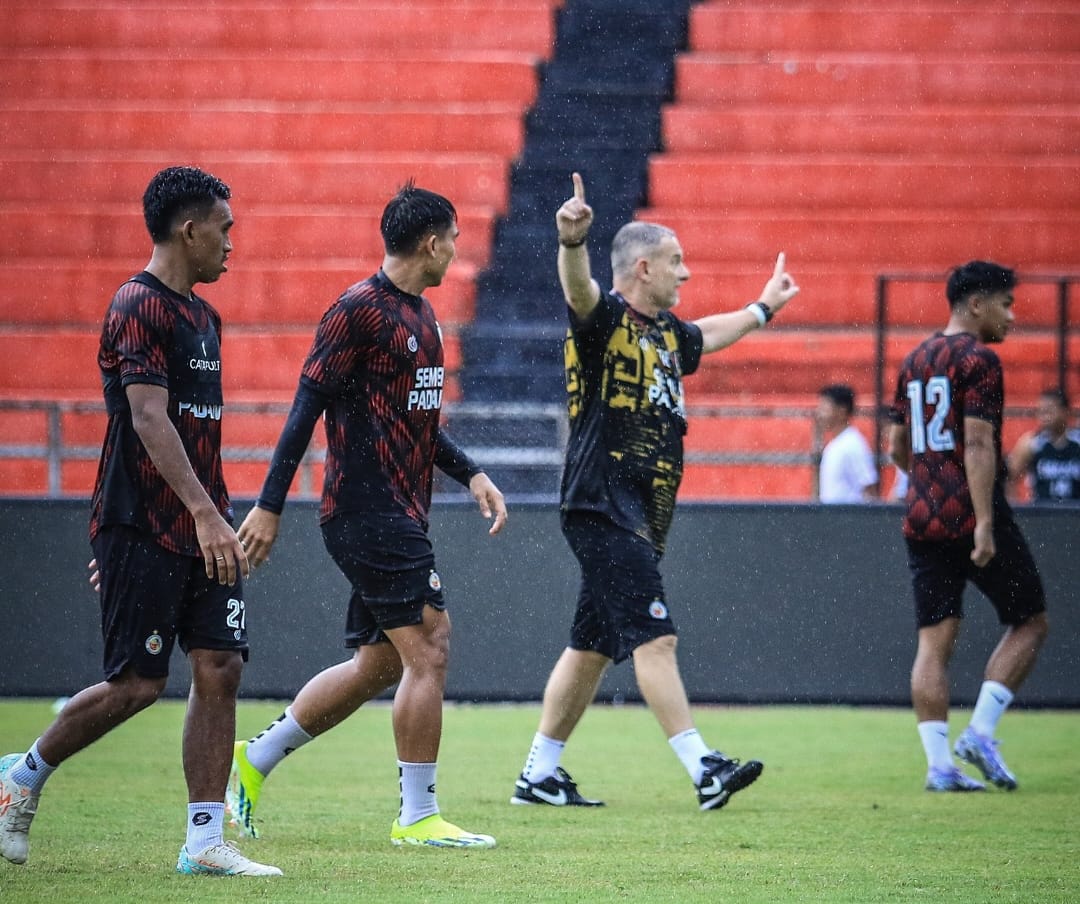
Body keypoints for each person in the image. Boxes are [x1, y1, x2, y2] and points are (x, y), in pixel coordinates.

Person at [0, 167, 280, 876]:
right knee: (137, 684)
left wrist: (213, 516)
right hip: (144, 521)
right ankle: (20, 779)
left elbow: (199, 431)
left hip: (201, 524)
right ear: (190, 230)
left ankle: (204, 841)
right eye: (224, 227)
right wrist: (202, 517)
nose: (232, 242)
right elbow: (149, 418)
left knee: (221, 665)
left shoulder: (205, 318)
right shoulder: (137, 305)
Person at [225, 182, 507, 848]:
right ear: (431, 243)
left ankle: (254, 758)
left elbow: (418, 425)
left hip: (399, 511)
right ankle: (418, 816)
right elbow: (305, 408)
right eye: (454, 240)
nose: (457, 252)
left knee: (379, 665)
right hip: (366, 509)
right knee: (431, 646)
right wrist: (269, 503)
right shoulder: (356, 311)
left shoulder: (425, 318)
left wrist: (471, 473)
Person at [510, 172, 799, 812]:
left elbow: (710, 333)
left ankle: (538, 775)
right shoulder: (605, 320)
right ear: (643, 268)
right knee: (656, 638)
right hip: (603, 504)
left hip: (636, 513)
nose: (685, 273)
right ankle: (704, 768)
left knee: (591, 648)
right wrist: (572, 243)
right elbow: (579, 291)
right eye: (676, 261)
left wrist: (763, 308)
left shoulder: (668, 332)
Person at [887, 260, 1050, 793]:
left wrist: (929, 479)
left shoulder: (914, 359)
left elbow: (896, 446)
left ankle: (939, 767)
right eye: (1006, 304)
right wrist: (983, 521)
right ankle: (980, 731)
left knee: (933, 644)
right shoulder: (980, 360)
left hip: (921, 515)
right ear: (976, 304)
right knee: (1030, 620)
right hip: (969, 510)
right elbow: (979, 443)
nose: (1011, 316)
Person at [1006, 388, 1080, 503]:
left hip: (1075, 511)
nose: (1044, 417)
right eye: (1041, 411)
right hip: (1041, 511)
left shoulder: (1077, 442)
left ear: (1065, 412)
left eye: (1049, 411)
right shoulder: (1031, 443)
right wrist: (1015, 507)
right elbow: (1009, 478)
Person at [815, 383, 879, 503]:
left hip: (848, 515)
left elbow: (869, 491)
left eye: (824, 408)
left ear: (842, 411)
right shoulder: (835, 444)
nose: (819, 413)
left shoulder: (852, 444)